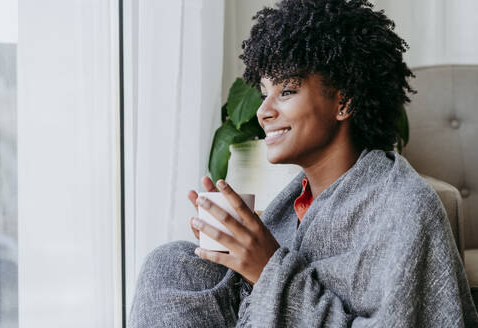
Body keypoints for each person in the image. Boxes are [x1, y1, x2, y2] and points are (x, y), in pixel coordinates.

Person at [128, 0, 478, 327]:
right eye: (265, 92)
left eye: (287, 91)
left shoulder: (405, 208)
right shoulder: (294, 206)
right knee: (175, 263)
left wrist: (267, 268)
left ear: (344, 102)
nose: (264, 111)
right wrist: (234, 251)